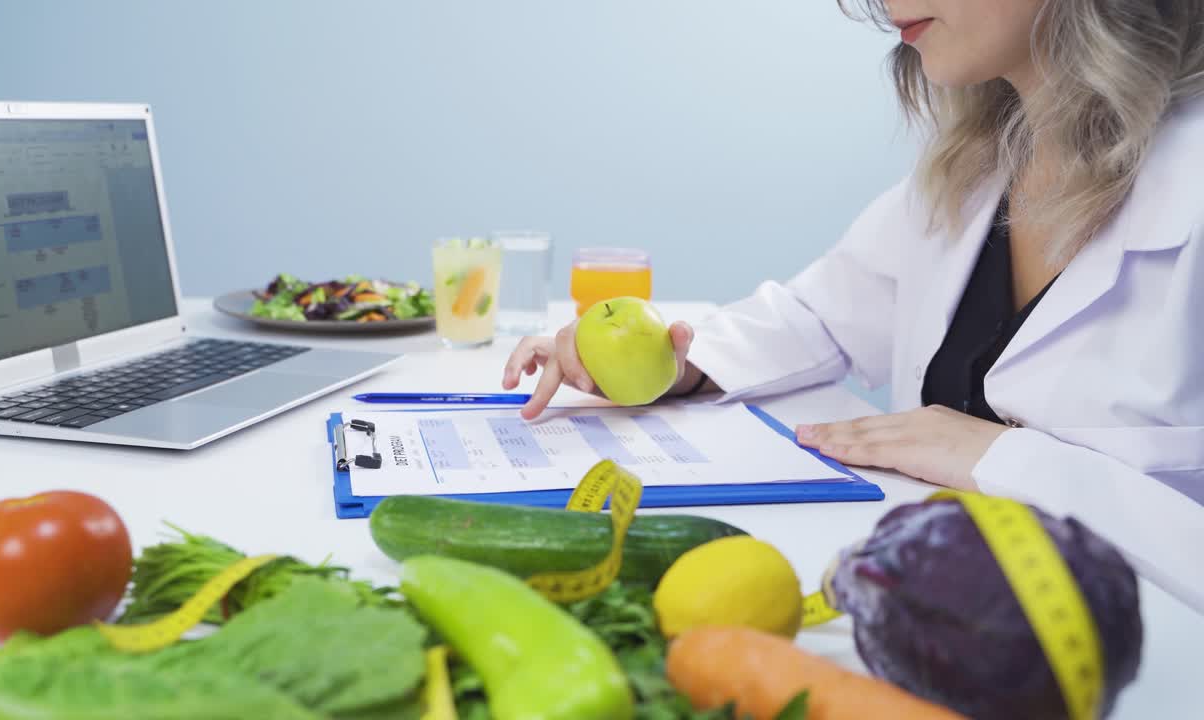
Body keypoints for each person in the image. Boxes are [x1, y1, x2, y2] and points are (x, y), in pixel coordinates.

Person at [502, 0, 1204, 613]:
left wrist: (1012, 461)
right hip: (943, 620)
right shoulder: (974, 166)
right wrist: (678, 360)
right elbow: (819, 317)